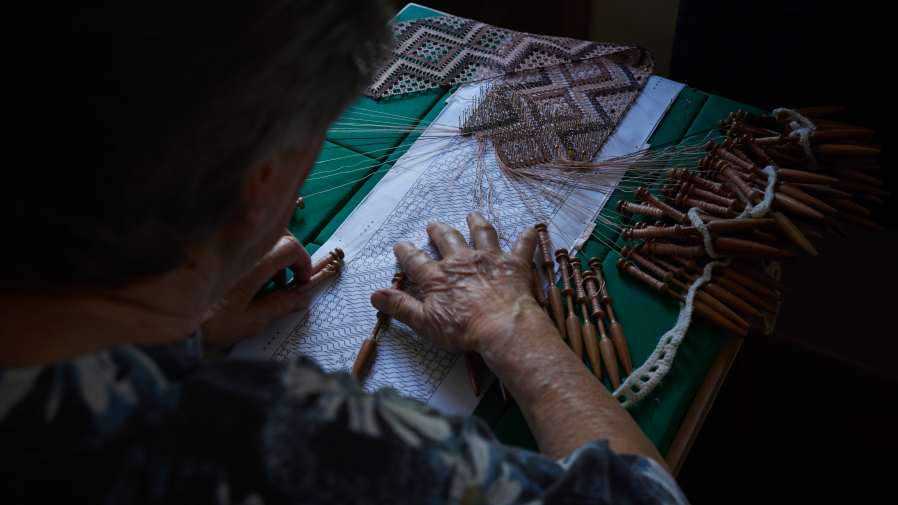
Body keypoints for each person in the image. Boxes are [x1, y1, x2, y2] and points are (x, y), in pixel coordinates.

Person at [1, 1, 688, 503]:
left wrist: (185, 326)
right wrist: (516, 329)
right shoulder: (266, 449)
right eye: (316, 133)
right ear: (260, 179)